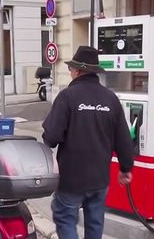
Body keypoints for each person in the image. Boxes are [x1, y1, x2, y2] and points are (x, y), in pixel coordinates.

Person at [42, 46, 134, 239]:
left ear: (77, 71)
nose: (70, 72)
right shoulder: (110, 98)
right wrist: (126, 168)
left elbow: (51, 137)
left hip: (71, 180)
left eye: (71, 69)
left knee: (66, 220)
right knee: (95, 223)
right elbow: (124, 139)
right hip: (99, 179)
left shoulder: (67, 97)